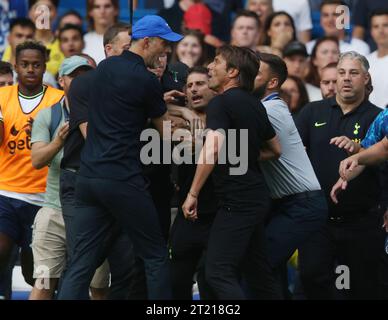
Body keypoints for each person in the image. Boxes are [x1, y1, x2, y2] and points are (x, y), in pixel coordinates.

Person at [57, 15, 183, 300]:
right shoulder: (146, 80)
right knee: (155, 255)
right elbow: (163, 133)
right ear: (147, 41)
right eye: (163, 44)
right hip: (123, 178)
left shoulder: (100, 71)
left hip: (88, 178)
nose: (166, 52)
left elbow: (119, 107)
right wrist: (185, 119)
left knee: (81, 263)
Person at [182, 45, 281, 299]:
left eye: (216, 62)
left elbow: (212, 148)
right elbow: (275, 149)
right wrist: (242, 154)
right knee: (258, 274)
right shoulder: (255, 104)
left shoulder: (222, 103)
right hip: (256, 197)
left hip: (238, 201)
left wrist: (193, 193)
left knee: (217, 271)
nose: (210, 67)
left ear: (233, 71)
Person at [295, 51, 383, 299]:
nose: (345, 79)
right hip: (317, 219)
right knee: (311, 279)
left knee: (361, 288)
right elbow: (291, 153)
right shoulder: (312, 112)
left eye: (353, 73)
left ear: (366, 78)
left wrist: (359, 150)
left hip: (362, 221)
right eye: (341, 73)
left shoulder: (377, 117)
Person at [250, 52, 327, 299]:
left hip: (302, 204)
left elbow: (239, 149)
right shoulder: (266, 107)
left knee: (261, 265)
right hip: (288, 203)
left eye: (256, 73)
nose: (248, 76)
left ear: (272, 82)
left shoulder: (270, 109)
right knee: (272, 268)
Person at [0, 41, 63, 289]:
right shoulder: (2, 96)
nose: (30, 70)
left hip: (44, 199)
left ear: (45, 67)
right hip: (5, 192)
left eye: (36, 65)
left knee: (36, 274)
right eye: (24, 64)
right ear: (15, 66)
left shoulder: (58, 99)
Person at [29, 56, 93, 300]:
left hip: (92, 213)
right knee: (44, 281)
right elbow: (37, 160)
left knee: (97, 286)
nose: (81, 81)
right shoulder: (49, 116)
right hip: (55, 211)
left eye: (87, 75)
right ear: (61, 80)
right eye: (75, 76)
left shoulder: (106, 113)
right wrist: (58, 141)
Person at [169, 66, 217, 300]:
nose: (194, 89)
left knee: (211, 279)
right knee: (177, 279)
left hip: (218, 214)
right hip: (186, 215)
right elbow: (146, 107)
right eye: (189, 86)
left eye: (200, 84)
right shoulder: (177, 122)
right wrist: (183, 111)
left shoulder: (225, 120)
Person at [0, 60, 16, 300]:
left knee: (7, 260)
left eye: (9, 84)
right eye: (1, 84)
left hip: (13, 195)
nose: (6, 89)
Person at [83, 0, 119, 64]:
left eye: (107, 6)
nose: (102, 11)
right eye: (97, 7)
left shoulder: (126, 39)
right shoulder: (83, 41)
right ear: (90, 11)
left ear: (116, 10)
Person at [367, 9, 388, 109]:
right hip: (370, 121)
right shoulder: (366, 61)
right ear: (371, 32)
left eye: (385, 25)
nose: (381, 30)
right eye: (376, 26)